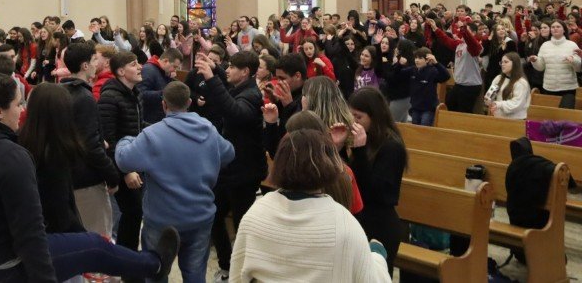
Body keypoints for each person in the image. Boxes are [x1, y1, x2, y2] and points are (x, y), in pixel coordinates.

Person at [0, 74, 180, 282]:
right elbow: (29, 232)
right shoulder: (10, 156)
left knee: (90, 245)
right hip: (4, 266)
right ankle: (154, 265)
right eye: (18, 104)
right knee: (95, 247)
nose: (22, 110)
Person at [230, 129, 390, 282]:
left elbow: (237, 276)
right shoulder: (344, 223)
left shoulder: (255, 213)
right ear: (327, 166)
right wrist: (377, 256)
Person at [115, 82, 235, 283]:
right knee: (195, 274)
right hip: (200, 216)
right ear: (189, 102)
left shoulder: (152, 135)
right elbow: (229, 153)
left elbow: (123, 160)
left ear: (163, 105)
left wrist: (125, 139)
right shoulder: (209, 130)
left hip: (161, 220)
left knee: (156, 273)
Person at [193, 50, 265, 282]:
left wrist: (212, 79)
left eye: (232, 67)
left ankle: (245, 272)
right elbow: (227, 89)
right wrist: (214, 71)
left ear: (244, 72)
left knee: (242, 224)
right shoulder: (243, 87)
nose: (228, 70)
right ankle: (227, 265)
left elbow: (235, 112)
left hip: (244, 172)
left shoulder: (252, 95)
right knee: (213, 215)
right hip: (230, 169)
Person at [60, 42, 120, 236]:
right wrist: (112, 175)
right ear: (85, 66)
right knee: (98, 238)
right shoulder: (84, 97)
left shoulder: (61, 91)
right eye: (95, 60)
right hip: (86, 179)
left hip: (68, 176)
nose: (98, 64)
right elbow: (91, 146)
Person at [347, 87, 408, 274]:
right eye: (351, 117)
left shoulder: (391, 147)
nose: (353, 123)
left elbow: (375, 192)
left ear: (375, 117)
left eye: (358, 117)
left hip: (380, 226)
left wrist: (358, 151)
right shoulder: (364, 142)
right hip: (359, 220)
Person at [98, 51, 145, 251]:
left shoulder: (133, 93)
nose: (140, 67)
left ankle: (130, 256)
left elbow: (137, 127)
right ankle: (126, 259)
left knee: (135, 214)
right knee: (130, 213)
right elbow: (108, 140)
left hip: (133, 162)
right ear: (120, 71)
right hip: (122, 167)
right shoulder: (110, 97)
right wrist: (125, 171)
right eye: (134, 64)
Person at [425, 16, 483, 113]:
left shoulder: (475, 47)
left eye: (467, 31)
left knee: (463, 113)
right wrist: (435, 28)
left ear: (473, 33)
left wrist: (464, 28)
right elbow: (446, 40)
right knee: (449, 105)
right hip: (459, 84)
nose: (462, 32)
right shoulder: (459, 44)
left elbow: (471, 42)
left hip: (471, 86)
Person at [530, 19, 581, 108]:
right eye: (553, 27)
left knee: (565, 116)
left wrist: (573, 61)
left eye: (558, 27)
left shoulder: (571, 45)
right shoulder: (545, 45)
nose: (555, 29)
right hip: (549, 87)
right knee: (552, 116)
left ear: (564, 30)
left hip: (568, 88)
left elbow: (578, 68)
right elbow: (541, 67)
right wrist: (535, 61)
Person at [400, 47, 451, 126]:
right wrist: (399, 64)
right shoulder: (413, 70)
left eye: (420, 58)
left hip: (428, 109)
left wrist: (436, 63)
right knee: (415, 129)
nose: (416, 60)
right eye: (416, 58)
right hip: (415, 107)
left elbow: (446, 76)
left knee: (425, 128)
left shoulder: (432, 71)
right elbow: (399, 74)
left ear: (427, 60)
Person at [137, 48, 183, 124]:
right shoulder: (148, 70)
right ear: (165, 61)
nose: (175, 70)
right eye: (174, 67)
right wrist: (165, 93)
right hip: (149, 120)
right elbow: (141, 94)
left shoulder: (163, 71)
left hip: (158, 118)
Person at [485, 51, 531, 119]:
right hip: (499, 117)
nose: (503, 64)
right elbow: (490, 96)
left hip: (515, 120)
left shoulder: (521, 83)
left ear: (515, 64)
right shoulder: (498, 78)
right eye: (502, 62)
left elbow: (516, 104)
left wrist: (499, 104)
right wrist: (488, 99)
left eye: (506, 62)